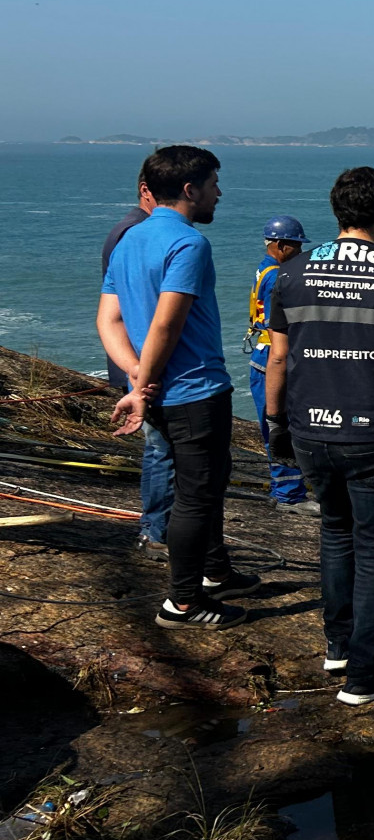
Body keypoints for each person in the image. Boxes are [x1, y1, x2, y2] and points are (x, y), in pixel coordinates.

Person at [263, 167, 374, 706]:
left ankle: (338, 644)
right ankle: (365, 671)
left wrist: (275, 423)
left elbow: (279, 357)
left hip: (310, 429)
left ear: (338, 212)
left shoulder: (290, 276)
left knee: (335, 533)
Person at [97, 145, 257, 629]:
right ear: (190, 189)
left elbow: (109, 320)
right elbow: (166, 324)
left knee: (201, 488)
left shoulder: (129, 238)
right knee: (196, 496)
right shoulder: (188, 244)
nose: (219, 193)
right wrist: (143, 385)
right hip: (194, 391)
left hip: (163, 390)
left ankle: (214, 573)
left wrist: (137, 382)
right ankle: (183, 602)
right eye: (212, 185)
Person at [102, 174, 172, 554]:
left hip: (137, 365)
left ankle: (155, 526)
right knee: (162, 449)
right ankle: (157, 530)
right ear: (146, 191)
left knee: (157, 448)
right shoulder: (133, 233)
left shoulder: (131, 231)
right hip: (143, 366)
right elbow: (137, 312)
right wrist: (138, 372)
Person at [245, 216, 315, 514]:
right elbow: (280, 330)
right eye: (296, 246)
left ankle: (283, 488)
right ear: (281, 245)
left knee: (271, 427)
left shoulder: (266, 268)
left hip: (260, 353)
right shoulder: (277, 277)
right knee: (282, 426)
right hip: (273, 357)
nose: (299, 252)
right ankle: (289, 494)